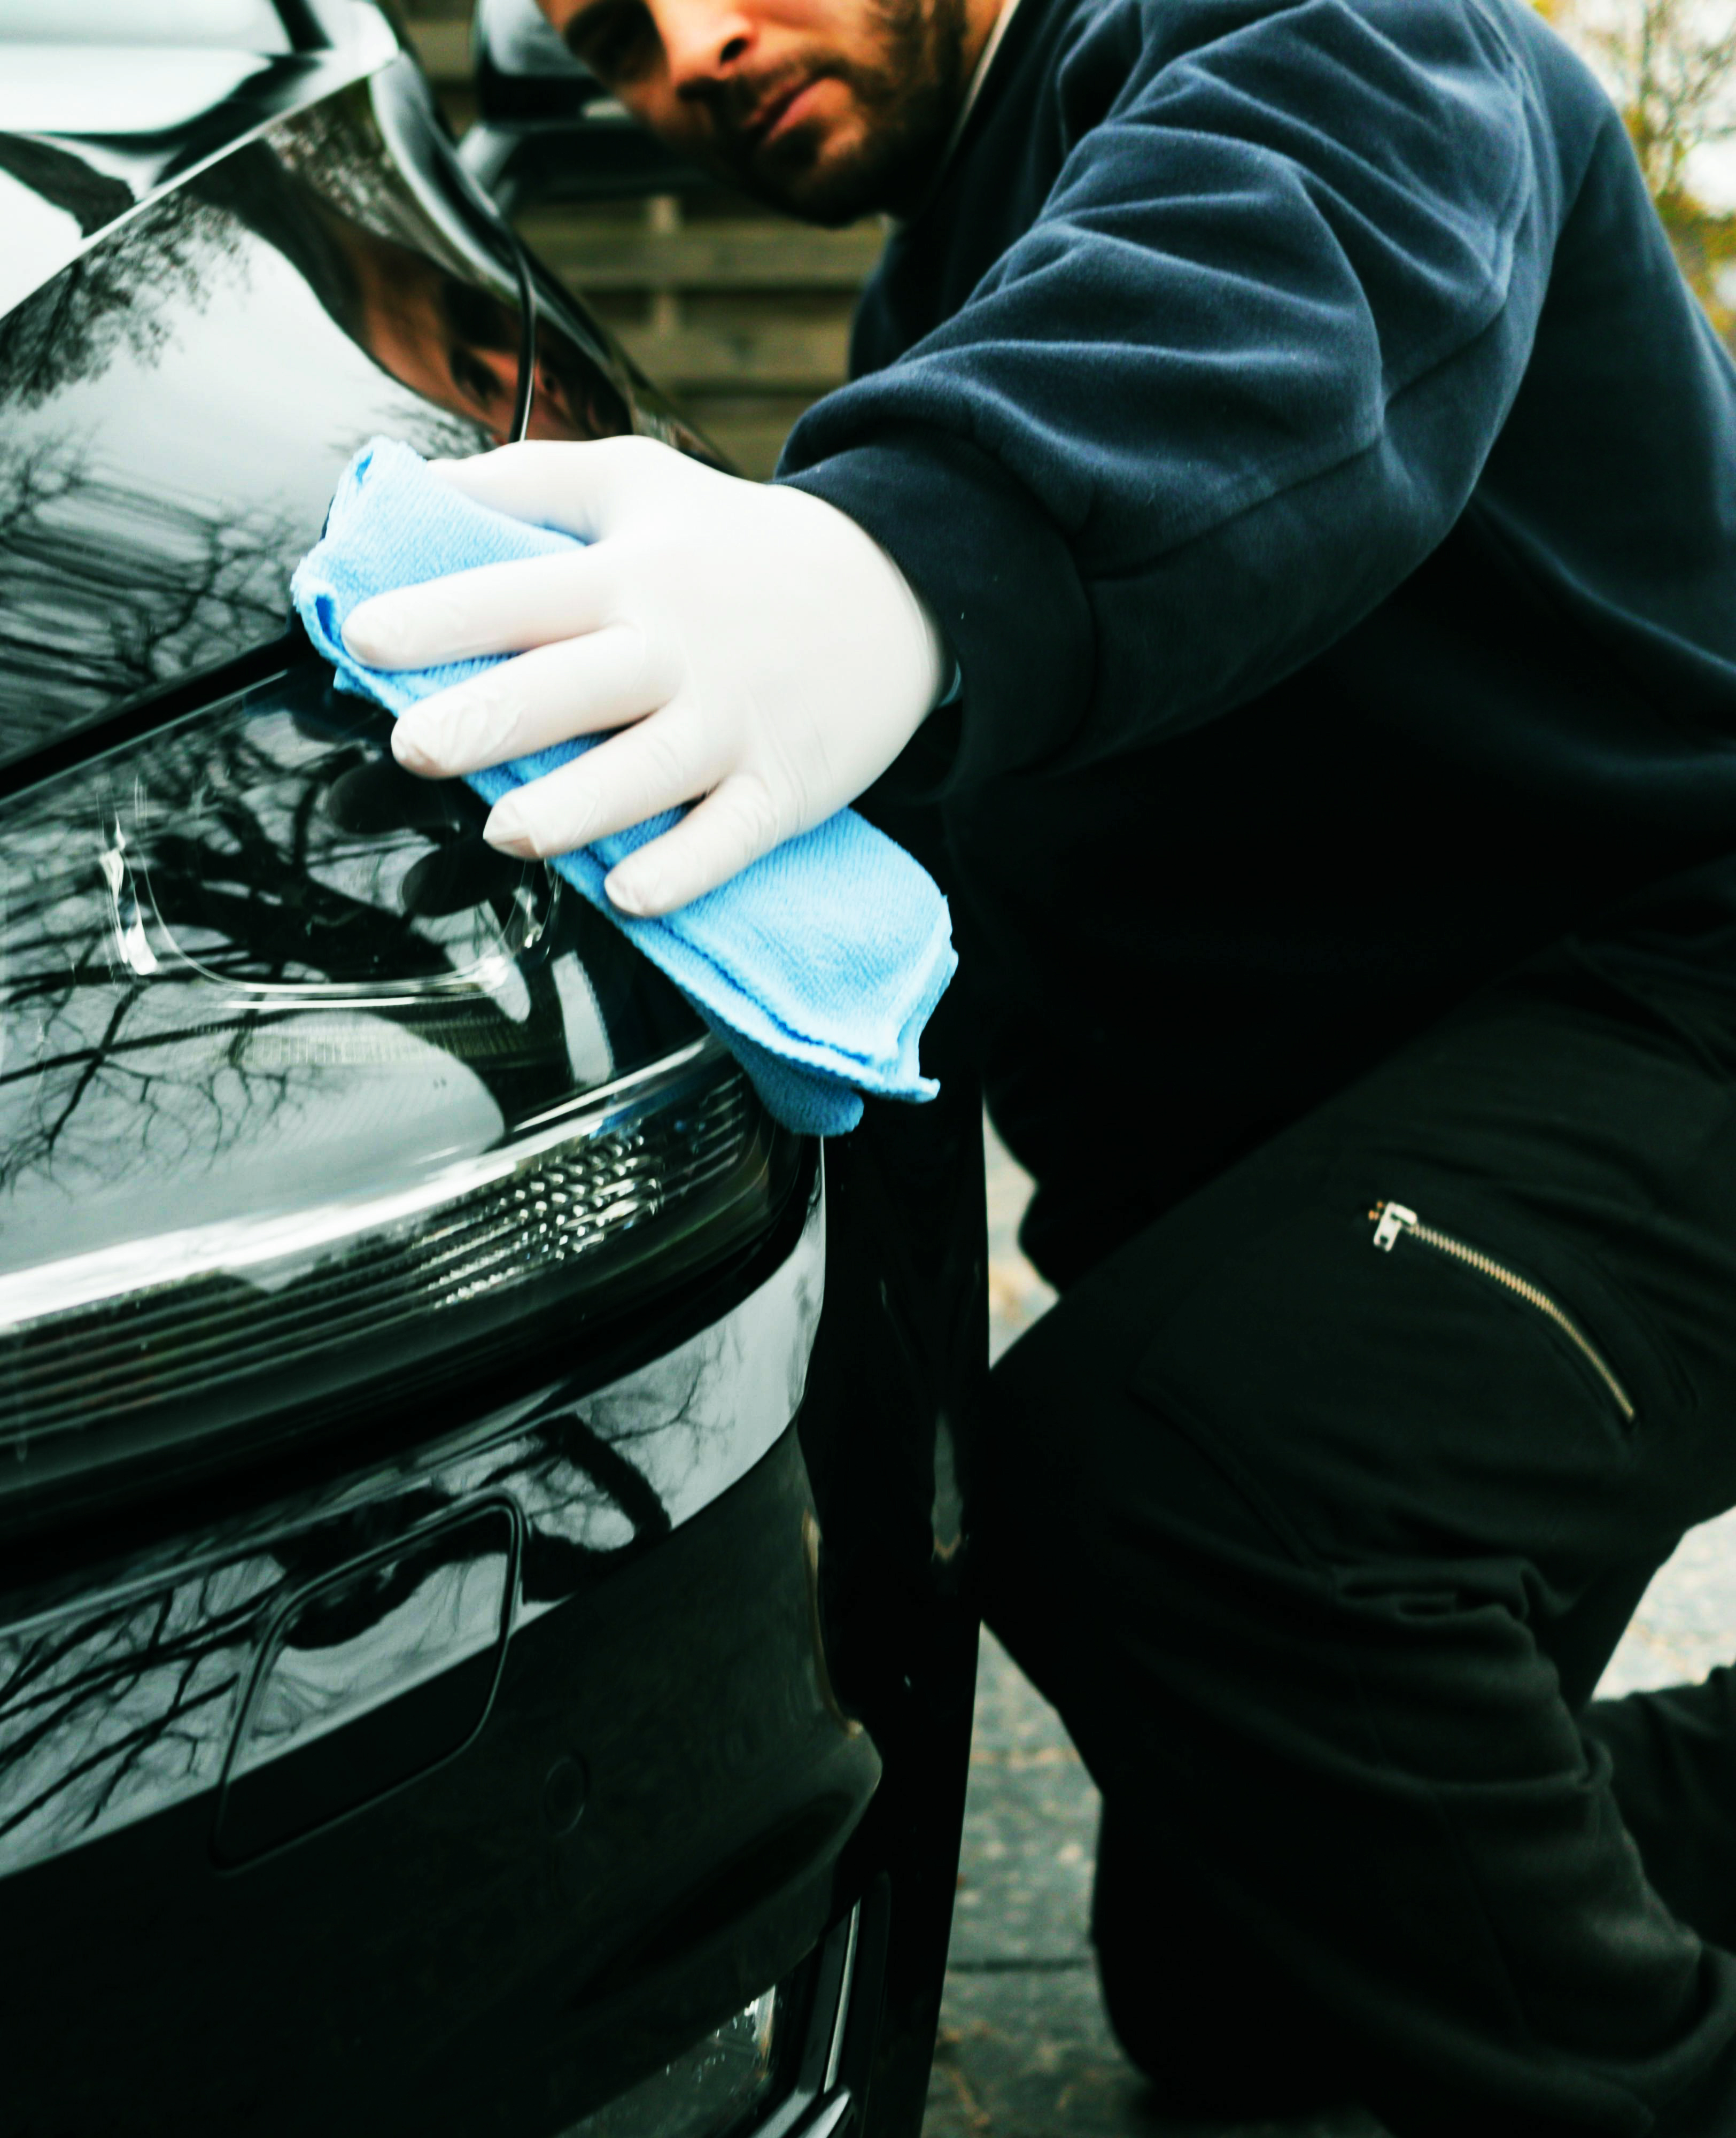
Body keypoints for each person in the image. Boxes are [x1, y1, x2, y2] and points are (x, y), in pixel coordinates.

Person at [340, 0, 1736, 2128]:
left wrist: (899, 560)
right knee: (1250, 1987)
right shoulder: (945, 301)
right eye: (614, 33)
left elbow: (1303, 247)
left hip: (1686, 995)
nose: (697, 44)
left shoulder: (1295, 36)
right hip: (1436, 1134)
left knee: (1192, 1484)